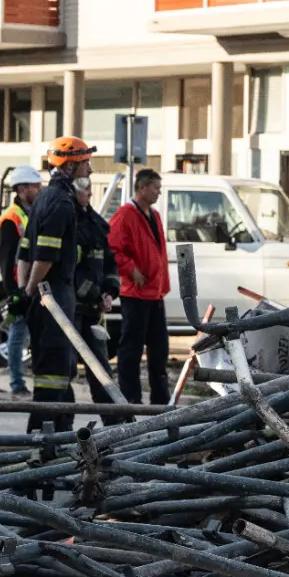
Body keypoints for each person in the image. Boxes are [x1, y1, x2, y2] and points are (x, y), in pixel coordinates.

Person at [22, 137, 96, 433]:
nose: (90, 170)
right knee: (54, 370)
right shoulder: (62, 203)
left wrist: (25, 289)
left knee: (59, 369)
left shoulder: (43, 197)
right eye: (86, 162)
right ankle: (43, 441)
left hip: (47, 293)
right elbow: (44, 255)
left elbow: (24, 251)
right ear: (71, 164)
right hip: (54, 294)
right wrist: (31, 289)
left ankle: (61, 435)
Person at [108, 169, 170, 405]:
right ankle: (130, 399)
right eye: (155, 187)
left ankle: (161, 402)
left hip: (155, 292)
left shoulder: (153, 216)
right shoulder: (125, 215)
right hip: (136, 294)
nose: (158, 192)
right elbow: (112, 248)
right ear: (142, 188)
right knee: (131, 350)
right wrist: (130, 269)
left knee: (159, 350)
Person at [72, 178, 120, 422]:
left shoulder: (96, 225)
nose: (88, 194)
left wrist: (109, 292)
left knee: (102, 373)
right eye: (84, 189)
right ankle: (60, 430)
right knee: (63, 373)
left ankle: (115, 427)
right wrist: (90, 292)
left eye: (90, 189)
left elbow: (109, 264)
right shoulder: (67, 223)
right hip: (69, 311)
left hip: (92, 311)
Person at [0, 164, 43, 397]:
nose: (40, 190)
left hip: (32, 284)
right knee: (17, 337)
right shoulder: (11, 219)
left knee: (31, 335)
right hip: (20, 286)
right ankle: (17, 384)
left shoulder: (30, 214)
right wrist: (13, 291)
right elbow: (6, 260)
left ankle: (29, 382)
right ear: (23, 189)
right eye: (36, 186)